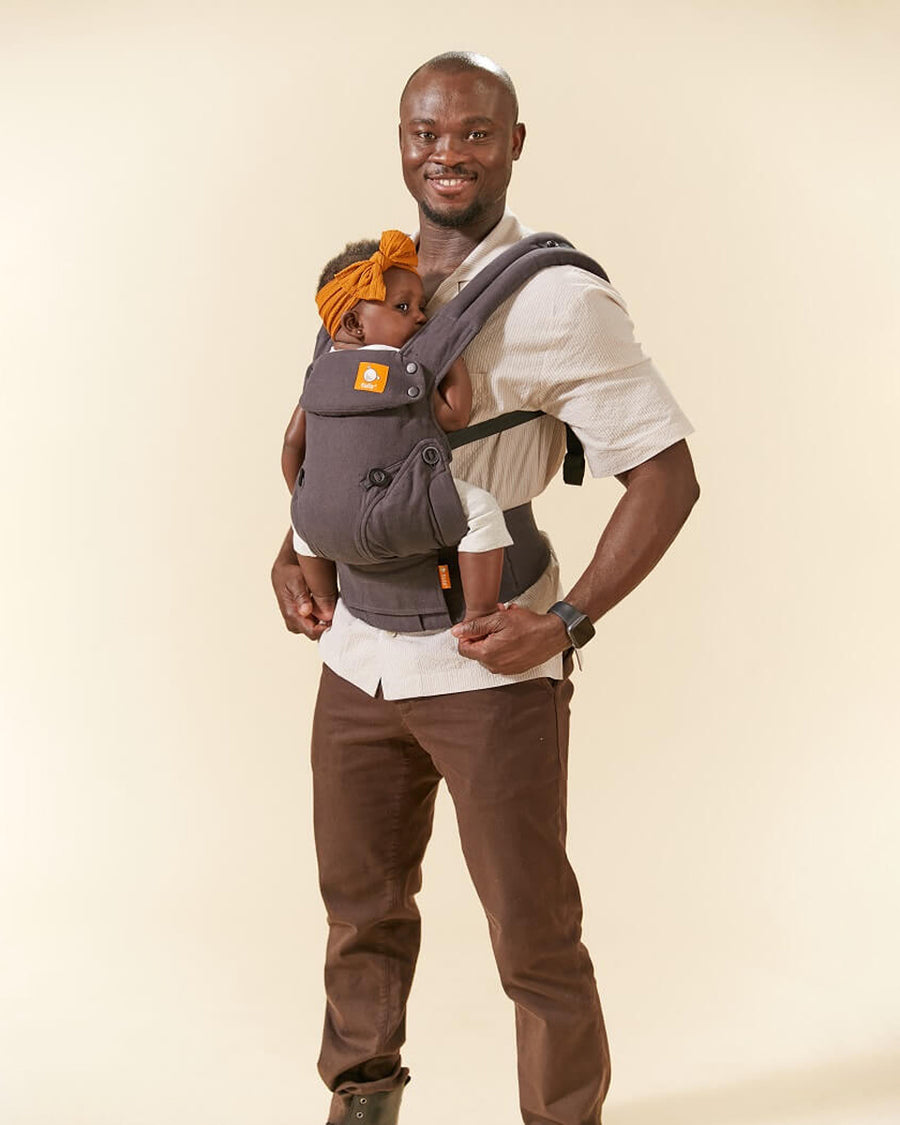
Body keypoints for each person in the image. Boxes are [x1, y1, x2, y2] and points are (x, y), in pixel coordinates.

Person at [271, 51, 700, 1125]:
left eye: (473, 132)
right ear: (402, 141)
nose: (447, 152)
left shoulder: (564, 302)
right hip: (357, 655)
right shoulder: (369, 282)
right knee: (359, 912)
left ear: (514, 142)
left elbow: (668, 478)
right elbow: (334, 447)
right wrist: (295, 553)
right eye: (426, 132)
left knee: (533, 932)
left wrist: (565, 618)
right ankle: (360, 1102)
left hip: (488, 663)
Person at [281, 228, 512, 626]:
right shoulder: (402, 367)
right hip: (396, 511)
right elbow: (455, 415)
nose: (421, 316)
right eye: (403, 308)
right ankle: (480, 613)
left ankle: (323, 603)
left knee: (305, 530)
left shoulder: (318, 373)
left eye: (420, 306)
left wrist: (306, 492)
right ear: (354, 323)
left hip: (323, 516)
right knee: (482, 512)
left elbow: (291, 444)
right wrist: (447, 350)